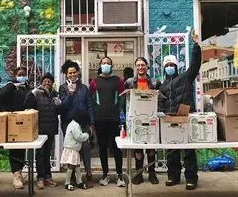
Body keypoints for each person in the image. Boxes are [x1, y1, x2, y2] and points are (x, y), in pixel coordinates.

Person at [158, 29, 201, 191]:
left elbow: (196, 64)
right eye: (167, 65)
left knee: (189, 151)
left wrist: (196, 45)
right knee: (172, 151)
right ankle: (173, 176)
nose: (169, 67)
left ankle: (191, 178)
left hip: (186, 118)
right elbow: (160, 102)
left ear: (176, 66)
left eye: (172, 65)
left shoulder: (185, 77)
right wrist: (160, 112)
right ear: (164, 68)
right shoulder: (162, 86)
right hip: (170, 121)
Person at [89, 56, 126, 187]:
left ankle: (120, 175)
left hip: (114, 119)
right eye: (103, 63)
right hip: (100, 120)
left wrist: (122, 116)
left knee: (116, 148)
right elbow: (91, 100)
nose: (106, 65)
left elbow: (123, 99)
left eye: (108, 63)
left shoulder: (118, 81)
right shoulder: (94, 81)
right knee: (102, 147)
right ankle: (105, 174)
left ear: (111, 66)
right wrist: (92, 118)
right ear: (100, 65)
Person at [124, 57, 161, 185]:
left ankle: (152, 173)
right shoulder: (129, 82)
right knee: (138, 148)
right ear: (135, 67)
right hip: (136, 119)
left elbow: (159, 99)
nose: (140, 67)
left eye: (143, 65)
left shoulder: (155, 82)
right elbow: (126, 99)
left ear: (147, 66)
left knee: (151, 148)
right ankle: (139, 173)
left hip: (151, 118)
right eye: (138, 65)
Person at [59, 60, 94, 188]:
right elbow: (63, 106)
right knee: (71, 149)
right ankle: (72, 176)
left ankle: (88, 174)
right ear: (66, 74)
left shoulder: (84, 88)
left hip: (83, 124)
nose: (72, 75)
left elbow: (89, 105)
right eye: (70, 73)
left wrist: (91, 123)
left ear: (77, 73)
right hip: (68, 124)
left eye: (74, 72)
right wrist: (71, 93)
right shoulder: (63, 88)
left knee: (85, 147)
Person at [24, 73, 60, 190]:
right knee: (40, 154)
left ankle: (48, 176)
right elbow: (27, 105)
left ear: (52, 83)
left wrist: (59, 105)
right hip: (39, 129)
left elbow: (59, 112)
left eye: (49, 81)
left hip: (51, 128)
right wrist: (31, 93)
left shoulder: (56, 94)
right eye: (45, 81)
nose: (47, 83)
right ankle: (40, 177)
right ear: (41, 82)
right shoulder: (37, 94)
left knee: (48, 154)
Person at [0, 66, 29, 189]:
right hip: (12, 121)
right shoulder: (10, 86)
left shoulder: (26, 87)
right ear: (15, 76)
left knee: (22, 148)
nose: (22, 76)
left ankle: (20, 172)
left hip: (24, 121)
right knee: (14, 149)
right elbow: (0, 97)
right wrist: (12, 86)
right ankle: (15, 175)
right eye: (20, 74)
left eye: (24, 74)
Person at [61, 109, 91, 191]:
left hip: (74, 148)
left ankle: (79, 181)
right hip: (72, 149)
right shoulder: (75, 125)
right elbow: (79, 136)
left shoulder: (73, 124)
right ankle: (67, 183)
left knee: (77, 165)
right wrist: (87, 135)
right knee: (71, 166)